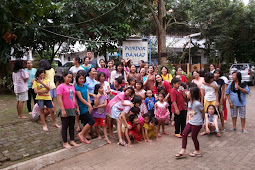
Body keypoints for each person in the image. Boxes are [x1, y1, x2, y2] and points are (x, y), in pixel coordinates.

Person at [175, 86, 204, 159]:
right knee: (184, 134)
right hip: (190, 122)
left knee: (194, 137)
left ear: (192, 94)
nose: (187, 93)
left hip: (197, 123)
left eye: (188, 92)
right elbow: (189, 111)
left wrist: (203, 121)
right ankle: (183, 151)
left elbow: (203, 112)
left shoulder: (197, 104)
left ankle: (197, 151)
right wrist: (187, 120)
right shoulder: (189, 102)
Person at [57, 72, 80, 149]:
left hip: (72, 108)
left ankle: (72, 140)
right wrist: (63, 110)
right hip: (65, 108)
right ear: (64, 77)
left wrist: (77, 107)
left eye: (71, 78)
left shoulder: (72, 86)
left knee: (72, 125)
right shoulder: (61, 87)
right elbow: (59, 99)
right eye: (68, 77)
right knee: (65, 126)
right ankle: (65, 142)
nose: (69, 79)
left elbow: (74, 98)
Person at [75, 71, 94, 144]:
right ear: (77, 79)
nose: (82, 80)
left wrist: (89, 105)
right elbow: (80, 98)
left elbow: (88, 96)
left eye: (83, 78)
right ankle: (81, 134)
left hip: (87, 105)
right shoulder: (77, 87)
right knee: (91, 121)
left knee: (87, 122)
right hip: (82, 107)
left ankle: (84, 137)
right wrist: (88, 105)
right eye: (80, 78)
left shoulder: (85, 86)